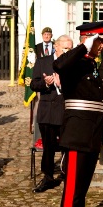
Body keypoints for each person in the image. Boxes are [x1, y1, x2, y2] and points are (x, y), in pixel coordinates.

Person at [53, 20, 103, 207]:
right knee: (72, 195)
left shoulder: (91, 64)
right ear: (89, 40)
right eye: (100, 42)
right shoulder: (74, 62)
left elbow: (96, 105)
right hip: (77, 136)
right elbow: (59, 64)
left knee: (82, 194)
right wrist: (83, 46)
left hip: (91, 134)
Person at [30, 35, 73, 192]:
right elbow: (33, 84)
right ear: (56, 46)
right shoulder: (43, 62)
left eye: (70, 48)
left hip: (65, 111)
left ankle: (67, 174)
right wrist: (46, 83)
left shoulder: (73, 63)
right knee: (48, 148)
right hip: (47, 112)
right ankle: (47, 177)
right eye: (65, 48)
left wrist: (63, 85)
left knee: (66, 146)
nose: (68, 51)